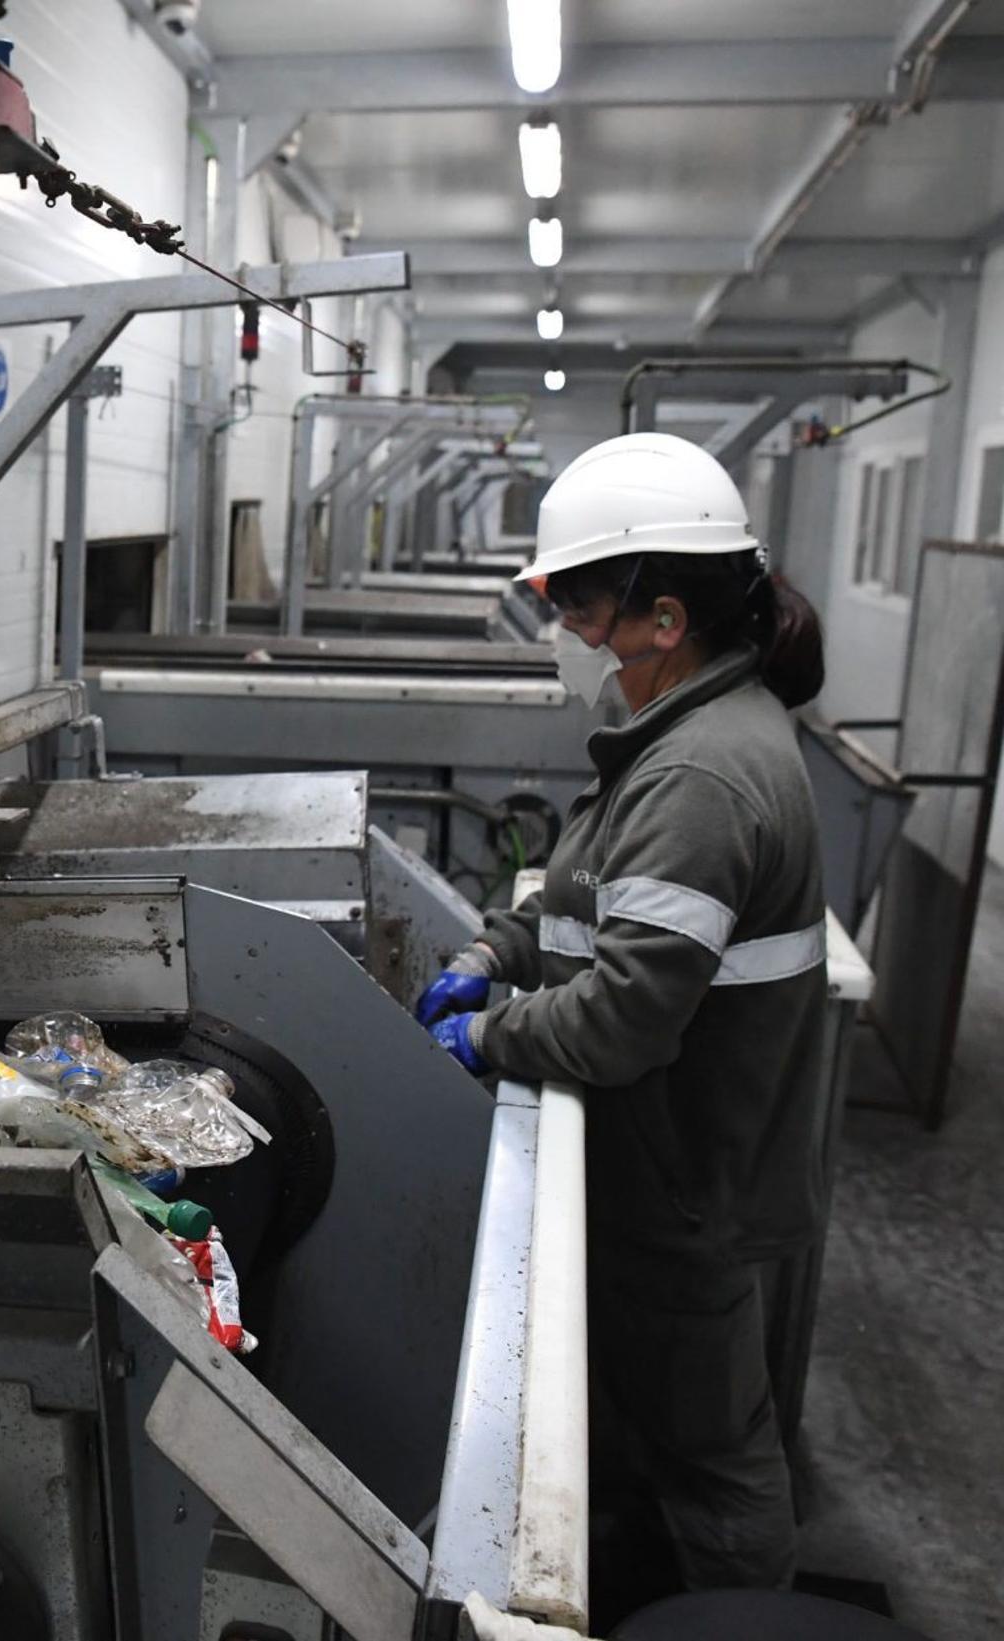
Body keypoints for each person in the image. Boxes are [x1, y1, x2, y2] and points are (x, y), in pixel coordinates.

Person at [417, 432, 828, 1597]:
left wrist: (483, 1036)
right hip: (661, 1166)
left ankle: (747, 1623)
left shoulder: (702, 773)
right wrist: (495, 947)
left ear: (663, 618)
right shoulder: (678, 735)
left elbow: (623, 1022)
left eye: (585, 609)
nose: (569, 636)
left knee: (717, 1460)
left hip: (688, 1180)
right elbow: (587, 889)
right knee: (654, 1424)